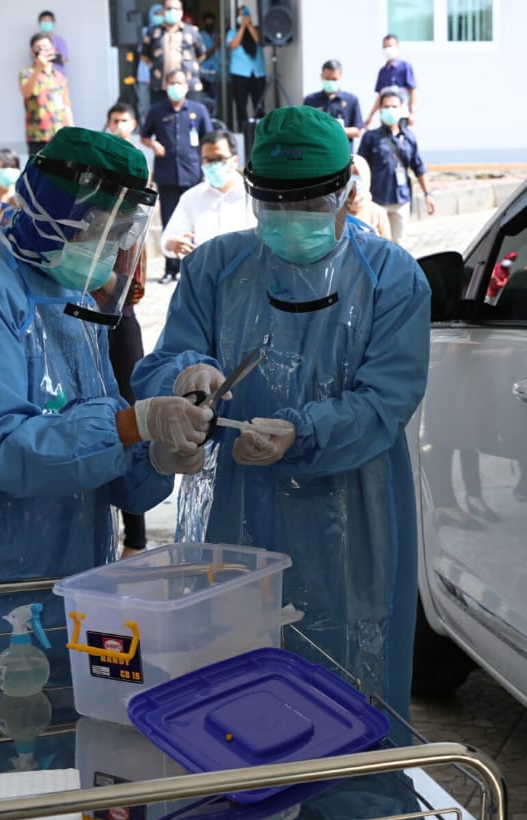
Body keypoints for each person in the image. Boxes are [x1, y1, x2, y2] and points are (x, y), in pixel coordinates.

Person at [131, 106, 431, 722]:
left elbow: (387, 398)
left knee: (348, 673)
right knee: (236, 666)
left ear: (348, 186)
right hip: (239, 497)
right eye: (275, 200)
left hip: (353, 503)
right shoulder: (216, 266)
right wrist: (185, 384)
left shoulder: (391, 276)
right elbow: (169, 358)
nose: (291, 217)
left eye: (308, 200)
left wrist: (307, 430)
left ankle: (352, 805)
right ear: (251, 191)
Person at [0, 126, 213, 652]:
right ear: (58, 213)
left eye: (124, 230)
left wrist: (156, 457)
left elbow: (95, 430)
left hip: (68, 553)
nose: (115, 245)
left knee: (57, 709)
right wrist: (131, 425)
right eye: (104, 228)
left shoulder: (75, 299)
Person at [104, 105, 154, 558]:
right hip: (76, 322)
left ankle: (135, 537)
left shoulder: (133, 221)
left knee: (128, 417)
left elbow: (130, 287)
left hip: (118, 324)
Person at [140, 69, 212, 283]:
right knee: (169, 221)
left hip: (192, 173)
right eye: (171, 82)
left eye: (180, 82)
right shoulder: (157, 111)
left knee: (194, 223)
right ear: (165, 86)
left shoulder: (198, 110)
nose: (175, 86)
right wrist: (153, 144)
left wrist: (206, 172)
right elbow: (144, 135)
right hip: (167, 174)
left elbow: (207, 139)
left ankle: (192, 267)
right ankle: (170, 268)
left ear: (187, 86)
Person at [161, 129, 256, 262]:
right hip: (205, 274)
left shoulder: (254, 195)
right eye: (208, 160)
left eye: (219, 159)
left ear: (235, 161)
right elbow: (169, 239)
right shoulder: (192, 197)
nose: (214, 165)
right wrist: (173, 243)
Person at [357, 87, 435, 243]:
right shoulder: (370, 138)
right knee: (374, 246)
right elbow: (359, 167)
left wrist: (428, 194)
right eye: (386, 107)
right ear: (380, 110)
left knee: (399, 245)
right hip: (375, 200)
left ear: (402, 109)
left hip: (401, 200)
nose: (390, 110)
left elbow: (418, 167)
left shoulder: (409, 138)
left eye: (394, 106)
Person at [141, 0, 206, 106]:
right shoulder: (153, 32)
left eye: (175, 9)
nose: (172, 11)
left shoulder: (191, 31)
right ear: (163, 11)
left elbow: (201, 55)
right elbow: (145, 55)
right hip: (160, 86)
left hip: (189, 86)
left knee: (191, 118)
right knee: (160, 118)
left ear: (181, 11)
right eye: (169, 9)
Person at [21, 32, 74, 157]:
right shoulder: (27, 73)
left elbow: (66, 105)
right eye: (39, 48)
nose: (43, 51)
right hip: (37, 136)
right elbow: (26, 92)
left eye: (47, 48)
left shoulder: (59, 76)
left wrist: (72, 130)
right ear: (32, 52)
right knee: (38, 173)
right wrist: (38, 68)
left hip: (60, 134)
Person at [303, 60, 363, 150]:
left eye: (334, 79)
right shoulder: (310, 100)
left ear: (340, 77)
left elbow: (357, 131)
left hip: (342, 154)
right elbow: (304, 127)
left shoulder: (351, 100)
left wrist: (335, 130)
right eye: (327, 79)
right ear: (321, 77)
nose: (330, 82)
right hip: (318, 152)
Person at [226, 6, 266, 132]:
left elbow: (259, 40)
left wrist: (249, 26)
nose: (244, 17)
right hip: (240, 73)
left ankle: (261, 132)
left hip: (257, 73)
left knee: (259, 105)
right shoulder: (232, 32)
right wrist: (242, 27)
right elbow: (233, 44)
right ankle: (243, 133)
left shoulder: (257, 30)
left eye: (246, 14)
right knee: (241, 105)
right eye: (241, 15)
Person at [367, 34, 416, 128]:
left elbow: (412, 91)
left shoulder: (405, 67)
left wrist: (412, 112)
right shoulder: (383, 71)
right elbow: (380, 96)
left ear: (397, 46)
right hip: (385, 115)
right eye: (385, 47)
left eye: (390, 46)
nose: (387, 49)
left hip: (401, 114)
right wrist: (371, 116)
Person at [345, 153, 391, 239]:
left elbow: (388, 247)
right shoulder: (337, 213)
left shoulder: (377, 212)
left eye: (356, 174)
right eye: (350, 175)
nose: (354, 180)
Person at [134, 4, 164, 123]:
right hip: (145, 75)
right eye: (157, 14)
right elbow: (143, 51)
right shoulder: (144, 32)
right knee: (144, 104)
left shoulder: (166, 32)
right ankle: (144, 125)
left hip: (161, 77)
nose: (160, 17)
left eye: (162, 14)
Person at [198, 10, 221, 112]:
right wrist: (215, 45)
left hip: (217, 74)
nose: (209, 25)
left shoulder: (217, 35)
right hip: (204, 73)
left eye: (211, 23)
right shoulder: (200, 36)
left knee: (217, 100)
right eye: (207, 23)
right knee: (205, 100)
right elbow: (203, 56)